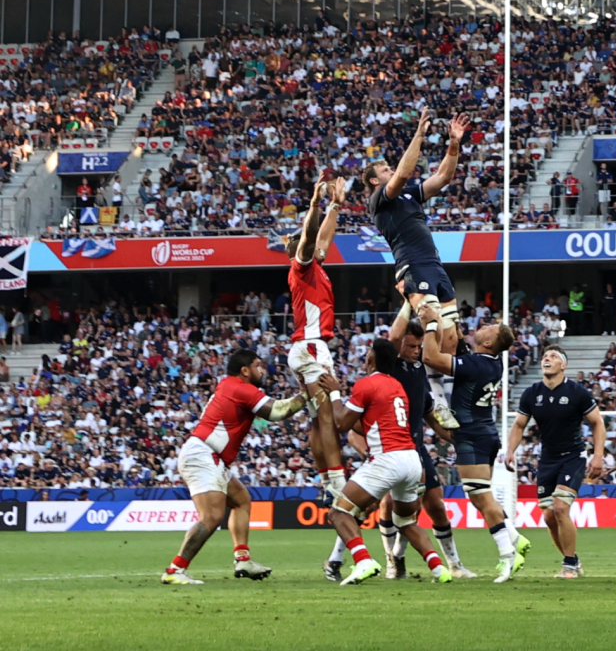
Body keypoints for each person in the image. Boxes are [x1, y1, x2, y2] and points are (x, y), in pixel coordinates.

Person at [162, 348, 322, 584]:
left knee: (241, 500)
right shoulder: (239, 387)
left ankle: (243, 559)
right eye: (258, 365)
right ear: (245, 370)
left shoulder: (230, 386)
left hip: (207, 454)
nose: (262, 370)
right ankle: (175, 570)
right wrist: (308, 394)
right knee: (211, 516)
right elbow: (277, 411)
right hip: (204, 454)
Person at [360, 109, 470, 422]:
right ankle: (436, 402)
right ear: (374, 180)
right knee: (430, 325)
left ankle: (450, 400)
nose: (390, 169)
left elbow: (443, 177)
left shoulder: (408, 195)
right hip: (412, 266)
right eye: (384, 168)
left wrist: (453, 144)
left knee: (451, 341)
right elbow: (403, 175)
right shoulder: (379, 200)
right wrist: (419, 134)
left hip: (435, 266)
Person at [326, 338, 455, 586]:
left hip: (388, 458)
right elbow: (369, 424)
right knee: (406, 522)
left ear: (370, 358)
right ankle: (439, 569)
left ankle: (363, 561)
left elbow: (341, 424)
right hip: (412, 460)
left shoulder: (366, 384)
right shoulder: (397, 386)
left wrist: (334, 393)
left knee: (339, 512)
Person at [416, 304, 527, 582]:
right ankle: (514, 538)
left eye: (489, 328)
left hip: (473, 435)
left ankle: (508, 555)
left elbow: (429, 357)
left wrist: (431, 324)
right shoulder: (490, 363)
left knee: (481, 496)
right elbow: (461, 352)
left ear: (488, 343)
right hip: (483, 432)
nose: (484, 325)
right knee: (479, 496)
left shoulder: (477, 365)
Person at [503, 346, 606, 579]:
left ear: (563, 365)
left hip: (573, 456)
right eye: (545, 356)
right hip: (547, 459)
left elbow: (597, 423)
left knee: (560, 508)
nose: (547, 359)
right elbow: (519, 425)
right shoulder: (531, 393)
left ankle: (569, 566)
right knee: (549, 516)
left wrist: (598, 455)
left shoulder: (577, 392)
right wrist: (510, 450)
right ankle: (573, 560)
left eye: (553, 356)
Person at [285, 179, 349, 502]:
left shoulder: (315, 268)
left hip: (303, 347)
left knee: (315, 420)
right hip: (312, 346)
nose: (321, 247)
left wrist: (335, 205)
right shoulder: (303, 266)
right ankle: (337, 485)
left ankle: (326, 482)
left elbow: (323, 236)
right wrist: (313, 204)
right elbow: (312, 235)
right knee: (328, 419)